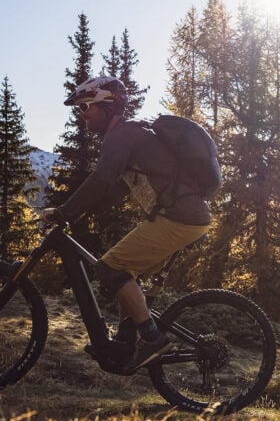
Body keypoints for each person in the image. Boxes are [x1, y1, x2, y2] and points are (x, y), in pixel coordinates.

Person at [42, 76, 211, 372]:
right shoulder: (132, 136)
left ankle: (152, 339)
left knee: (110, 267)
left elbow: (100, 179)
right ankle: (125, 341)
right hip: (183, 217)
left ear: (107, 105)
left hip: (181, 218)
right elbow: (113, 190)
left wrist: (64, 212)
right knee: (124, 270)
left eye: (85, 107)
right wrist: (81, 213)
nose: (82, 115)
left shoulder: (122, 135)